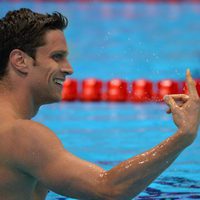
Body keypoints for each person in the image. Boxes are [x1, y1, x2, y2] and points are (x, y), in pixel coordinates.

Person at [0, 8, 199, 200]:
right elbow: (108, 190)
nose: (69, 69)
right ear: (20, 60)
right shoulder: (21, 136)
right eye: (57, 57)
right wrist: (183, 136)